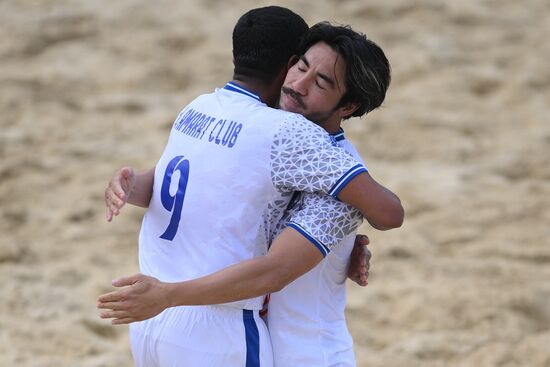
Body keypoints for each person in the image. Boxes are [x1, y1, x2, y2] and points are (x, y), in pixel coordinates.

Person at [100, 7, 402, 367]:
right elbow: (209, 186)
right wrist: (132, 183)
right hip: (248, 337)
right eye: (301, 67)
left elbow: (384, 215)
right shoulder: (271, 136)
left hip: (309, 355)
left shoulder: (333, 176)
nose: (298, 84)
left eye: (321, 83)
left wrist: (168, 295)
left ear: (349, 105)